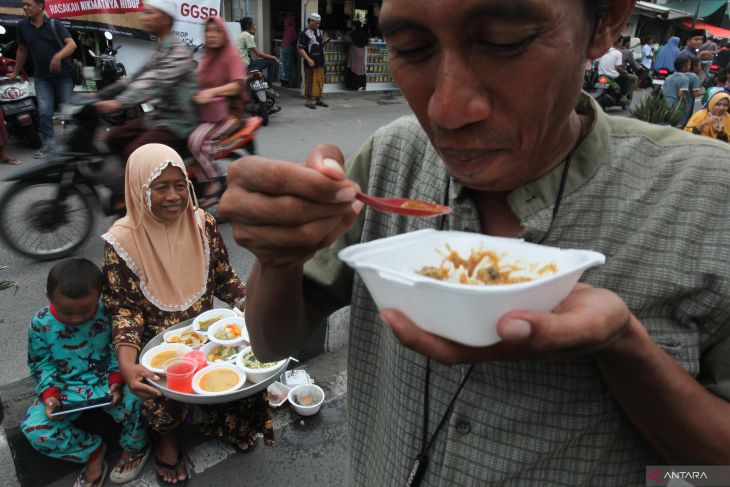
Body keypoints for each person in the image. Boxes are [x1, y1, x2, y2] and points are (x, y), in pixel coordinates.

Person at [218, 0, 730, 485]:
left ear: (606, 22)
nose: (448, 111)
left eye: (506, 42)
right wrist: (277, 254)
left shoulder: (709, 200)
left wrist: (623, 349)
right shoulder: (392, 156)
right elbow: (270, 343)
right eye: (413, 49)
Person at [102, 144, 273, 486]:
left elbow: (225, 277)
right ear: (139, 189)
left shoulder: (203, 223)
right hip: (159, 346)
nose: (174, 196)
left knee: (242, 373)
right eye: (160, 187)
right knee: (159, 394)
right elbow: (125, 309)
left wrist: (251, 307)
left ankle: (229, 424)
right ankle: (166, 439)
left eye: (180, 185)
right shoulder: (120, 242)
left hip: (207, 337)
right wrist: (128, 361)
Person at [22, 259, 149, 487]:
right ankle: (92, 452)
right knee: (34, 429)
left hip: (106, 383)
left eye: (85, 311)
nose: (76, 319)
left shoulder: (107, 313)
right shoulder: (41, 324)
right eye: (67, 312)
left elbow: (117, 350)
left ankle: (134, 447)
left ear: (100, 295)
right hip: (65, 390)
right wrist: (50, 395)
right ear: (48, 296)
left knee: (138, 399)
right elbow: (40, 363)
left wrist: (117, 379)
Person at [95, 0, 198, 163]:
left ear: (165, 19)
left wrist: (117, 103)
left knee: (133, 154)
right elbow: (135, 77)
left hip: (178, 121)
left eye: (149, 13)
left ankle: (142, 186)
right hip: (157, 116)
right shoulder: (159, 49)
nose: (144, 17)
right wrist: (99, 95)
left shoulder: (178, 52)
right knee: (112, 138)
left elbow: (154, 82)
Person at [188, 16, 248, 210]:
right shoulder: (207, 55)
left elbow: (238, 85)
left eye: (216, 31)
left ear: (223, 33)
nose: (211, 35)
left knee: (197, 142)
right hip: (208, 111)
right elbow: (198, 80)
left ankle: (214, 182)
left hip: (230, 113)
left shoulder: (231, 54)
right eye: (208, 31)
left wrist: (212, 92)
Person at [11, 0, 76, 158]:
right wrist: (15, 73)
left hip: (63, 76)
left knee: (68, 111)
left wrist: (58, 56)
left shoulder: (54, 24)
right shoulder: (22, 26)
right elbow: (22, 49)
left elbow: (72, 45)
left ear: (40, 6)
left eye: (28, 4)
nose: (25, 7)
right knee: (45, 112)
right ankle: (49, 146)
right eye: (23, 5)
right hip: (42, 78)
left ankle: (70, 145)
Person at [298, 13, 328, 109]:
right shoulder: (304, 33)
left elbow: (319, 45)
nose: (317, 25)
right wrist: (308, 59)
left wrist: (324, 41)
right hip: (311, 61)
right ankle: (308, 101)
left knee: (320, 80)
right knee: (310, 81)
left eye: (319, 23)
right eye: (316, 23)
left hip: (320, 60)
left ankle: (319, 99)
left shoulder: (319, 32)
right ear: (310, 21)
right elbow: (300, 49)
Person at [238, 17, 280, 83]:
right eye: (254, 25)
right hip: (245, 66)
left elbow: (246, 52)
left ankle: (265, 85)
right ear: (248, 26)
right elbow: (258, 53)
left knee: (260, 71)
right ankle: (269, 86)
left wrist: (252, 57)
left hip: (241, 65)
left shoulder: (241, 35)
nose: (255, 27)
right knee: (271, 61)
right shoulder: (247, 35)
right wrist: (274, 57)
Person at [597, 35, 633, 106]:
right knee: (626, 78)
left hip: (600, 75)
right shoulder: (618, 53)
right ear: (618, 42)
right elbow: (617, 68)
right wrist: (623, 71)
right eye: (621, 42)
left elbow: (597, 64)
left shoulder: (603, 50)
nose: (621, 43)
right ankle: (623, 97)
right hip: (611, 76)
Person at [344, 21, 368, 91]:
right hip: (361, 53)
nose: (352, 27)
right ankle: (363, 85)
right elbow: (366, 42)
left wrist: (343, 35)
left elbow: (347, 40)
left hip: (354, 53)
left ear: (355, 26)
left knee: (353, 67)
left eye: (353, 26)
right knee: (361, 68)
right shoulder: (363, 33)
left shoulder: (353, 34)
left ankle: (353, 86)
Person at [279, 15, 298, 87]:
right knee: (290, 66)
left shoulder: (286, 29)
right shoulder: (292, 28)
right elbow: (294, 38)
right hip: (290, 48)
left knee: (283, 66)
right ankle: (291, 83)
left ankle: (283, 82)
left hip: (283, 48)